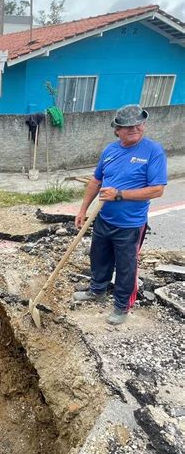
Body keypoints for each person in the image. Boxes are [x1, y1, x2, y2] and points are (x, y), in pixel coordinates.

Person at [74, 104, 167, 326]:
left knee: (126, 267)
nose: (134, 128)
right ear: (117, 130)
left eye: (138, 124)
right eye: (127, 126)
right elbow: (96, 181)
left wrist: (120, 195)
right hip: (104, 218)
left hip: (130, 224)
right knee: (99, 257)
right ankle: (97, 290)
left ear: (143, 125)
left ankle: (122, 305)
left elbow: (157, 189)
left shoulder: (153, 151)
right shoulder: (110, 151)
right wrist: (83, 209)